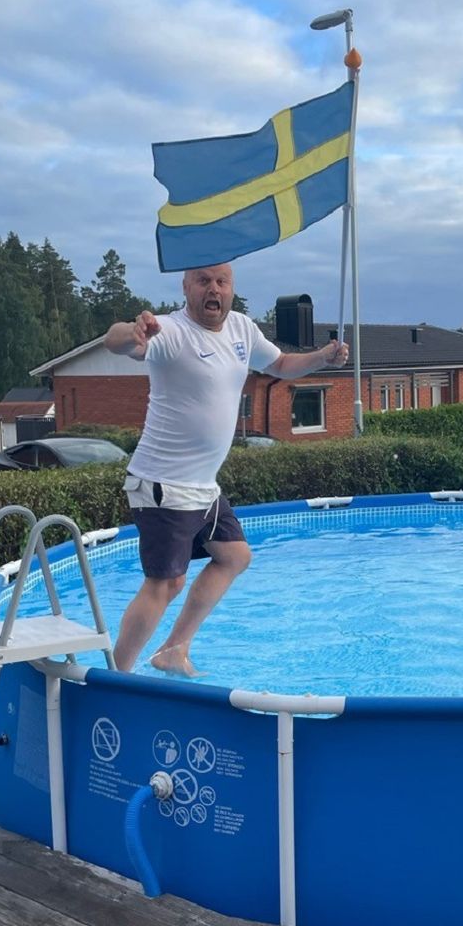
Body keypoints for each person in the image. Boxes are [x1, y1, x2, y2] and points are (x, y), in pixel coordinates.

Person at [103, 262, 348, 675]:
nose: (212, 289)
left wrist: (322, 357)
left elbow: (282, 365)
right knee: (166, 584)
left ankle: (173, 650)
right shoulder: (170, 331)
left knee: (233, 556)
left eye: (221, 281)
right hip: (164, 483)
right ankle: (115, 678)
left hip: (204, 488)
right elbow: (117, 342)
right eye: (203, 281)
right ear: (186, 287)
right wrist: (132, 330)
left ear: (231, 288)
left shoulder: (241, 329)